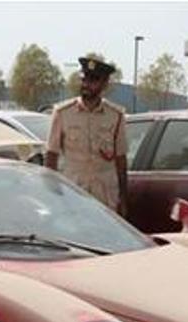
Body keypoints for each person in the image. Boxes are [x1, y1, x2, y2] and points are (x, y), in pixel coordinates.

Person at [44, 55, 129, 217]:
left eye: (93, 81)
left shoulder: (115, 116)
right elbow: (51, 156)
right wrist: (51, 195)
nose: (86, 85)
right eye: (84, 79)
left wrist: (123, 198)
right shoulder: (63, 113)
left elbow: (121, 159)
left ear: (104, 84)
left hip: (105, 196)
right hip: (73, 192)